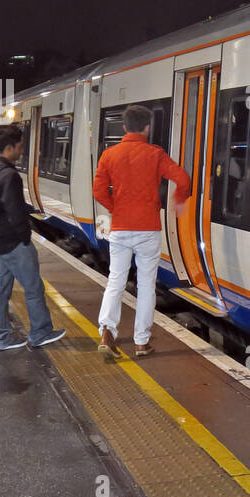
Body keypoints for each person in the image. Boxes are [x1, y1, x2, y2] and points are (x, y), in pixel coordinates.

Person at [92, 104, 192, 358]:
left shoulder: (109, 155)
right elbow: (182, 178)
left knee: (116, 280)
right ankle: (141, 342)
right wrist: (179, 200)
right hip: (148, 228)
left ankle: (106, 330)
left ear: (124, 127)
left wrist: (117, 208)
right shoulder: (155, 154)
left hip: (121, 228)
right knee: (146, 285)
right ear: (147, 128)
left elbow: (98, 191)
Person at [0, 124, 66, 351]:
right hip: (14, 243)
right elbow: (15, 211)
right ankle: (40, 332)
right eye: (20, 146)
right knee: (33, 288)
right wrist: (25, 236)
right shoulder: (9, 175)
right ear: (9, 148)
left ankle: (0, 337)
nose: (22, 150)